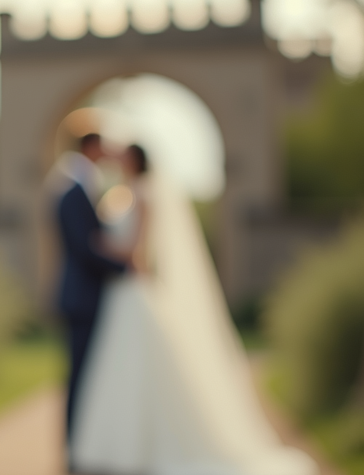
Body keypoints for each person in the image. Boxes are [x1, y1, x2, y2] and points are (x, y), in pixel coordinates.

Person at [69, 144, 317, 475]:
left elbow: (138, 251)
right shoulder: (119, 193)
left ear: (135, 160)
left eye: (123, 155)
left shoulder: (143, 194)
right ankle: (117, 445)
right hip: (119, 295)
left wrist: (102, 247)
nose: (116, 159)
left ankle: (147, 444)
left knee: (142, 366)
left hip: (132, 289)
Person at [51, 133, 129, 450]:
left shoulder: (83, 188)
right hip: (81, 298)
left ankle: (84, 443)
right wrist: (126, 269)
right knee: (79, 375)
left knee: (90, 375)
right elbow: (84, 249)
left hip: (89, 296)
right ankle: (73, 447)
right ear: (90, 147)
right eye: (103, 146)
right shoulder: (72, 192)